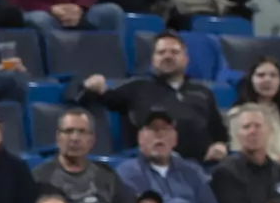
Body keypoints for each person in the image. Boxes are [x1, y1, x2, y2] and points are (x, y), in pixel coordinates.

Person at [72, 32, 228, 164]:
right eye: (161, 52)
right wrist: (91, 86)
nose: (167, 56)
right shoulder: (138, 87)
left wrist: (220, 146)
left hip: (200, 167)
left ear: (186, 58)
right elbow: (89, 97)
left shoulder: (203, 92)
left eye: (174, 52)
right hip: (151, 167)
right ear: (153, 60)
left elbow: (220, 134)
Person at [115, 109, 222, 203]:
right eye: (152, 129)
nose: (159, 135)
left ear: (175, 138)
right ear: (140, 138)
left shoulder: (193, 170)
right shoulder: (128, 172)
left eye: (165, 129)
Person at [32, 107, 133, 203]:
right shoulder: (42, 175)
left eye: (81, 132)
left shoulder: (105, 173)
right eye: (68, 131)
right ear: (58, 138)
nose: (75, 138)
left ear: (92, 140)